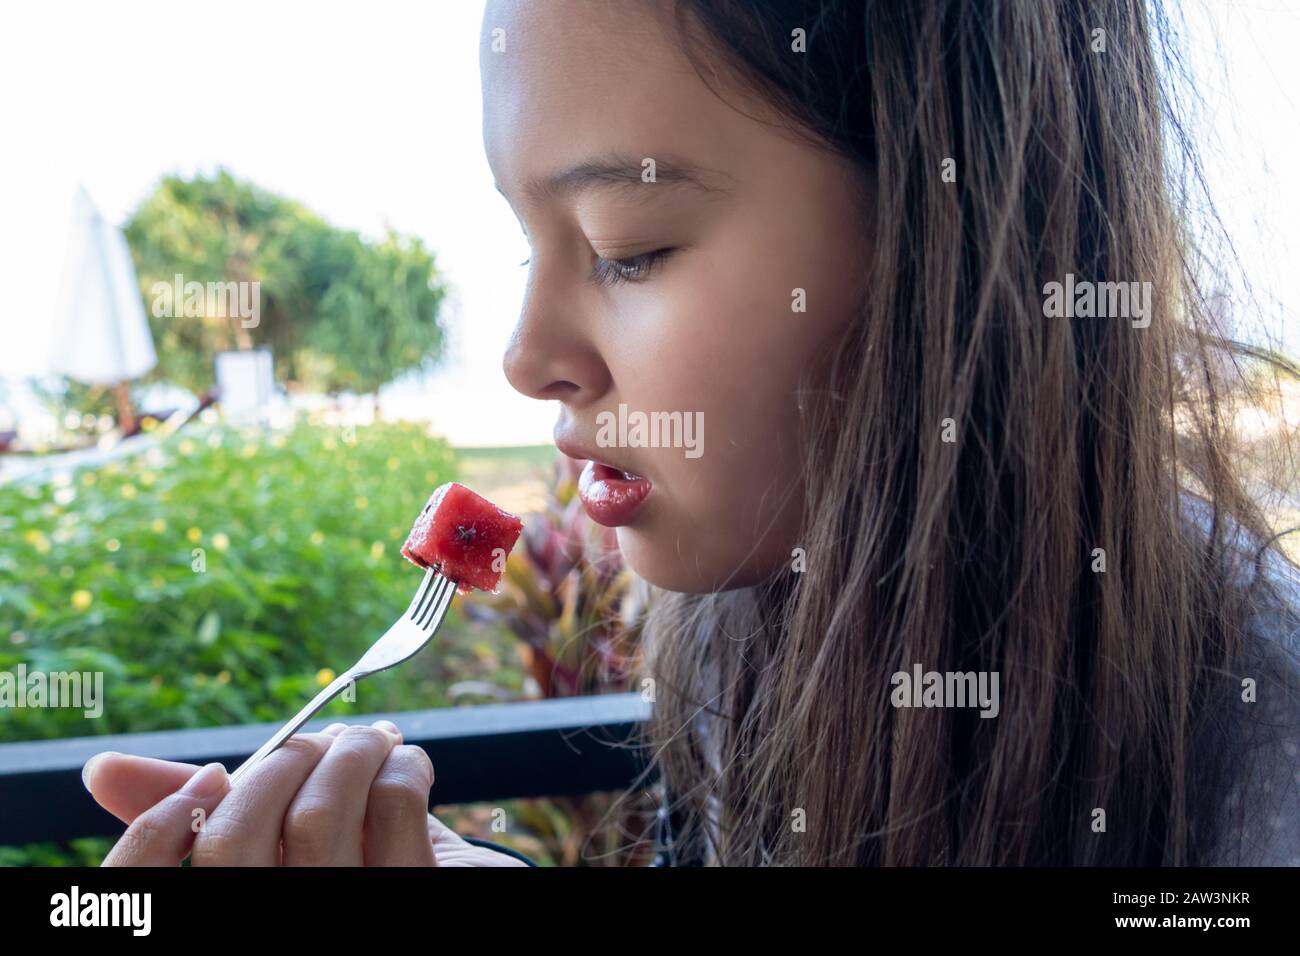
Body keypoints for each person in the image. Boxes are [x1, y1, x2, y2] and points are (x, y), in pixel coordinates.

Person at [85, 0, 1300, 866]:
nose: (523, 357)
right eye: (528, 241)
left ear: (953, 238)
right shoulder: (737, 630)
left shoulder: (1248, 738)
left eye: (625, 246)